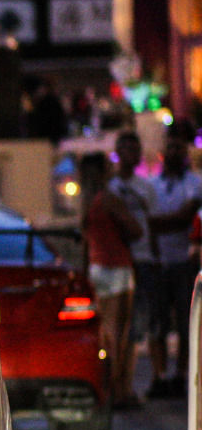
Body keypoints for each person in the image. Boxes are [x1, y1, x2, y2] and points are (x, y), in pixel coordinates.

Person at [79, 152, 143, 409]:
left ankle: (106, 387)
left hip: (97, 267)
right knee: (118, 333)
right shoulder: (108, 198)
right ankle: (117, 391)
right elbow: (136, 230)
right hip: (117, 266)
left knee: (105, 333)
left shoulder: (86, 201)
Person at [144, 123, 202, 398]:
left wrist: (154, 224)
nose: (174, 151)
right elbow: (150, 222)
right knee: (156, 323)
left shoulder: (195, 183)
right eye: (170, 146)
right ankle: (160, 376)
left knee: (184, 321)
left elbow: (185, 218)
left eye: (179, 146)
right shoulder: (151, 184)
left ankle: (180, 375)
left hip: (183, 262)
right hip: (156, 261)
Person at [105, 130, 156, 403]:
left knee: (135, 327)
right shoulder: (110, 188)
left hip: (144, 260)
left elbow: (153, 225)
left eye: (133, 150)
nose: (128, 155)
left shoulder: (146, 186)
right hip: (119, 262)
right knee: (116, 328)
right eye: (123, 149)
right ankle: (116, 386)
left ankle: (127, 384)